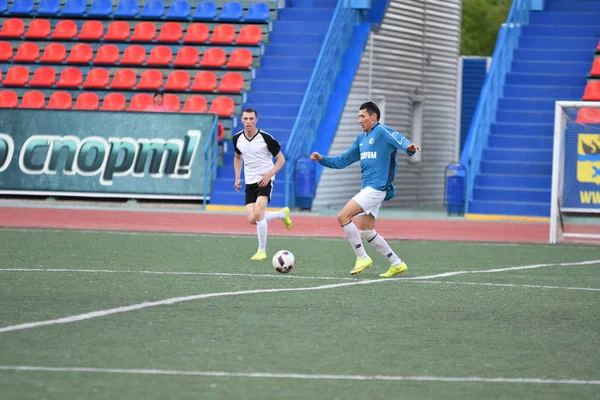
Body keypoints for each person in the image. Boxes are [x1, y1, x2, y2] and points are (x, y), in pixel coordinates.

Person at [310, 101, 421, 277]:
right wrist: (322, 159)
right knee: (367, 230)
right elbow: (343, 160)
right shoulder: (361, 139)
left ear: (373, 116)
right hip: (368, 188)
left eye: (362, 116)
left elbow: (400, 139)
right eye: (358, 117)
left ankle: (362, 257)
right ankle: (397, 263)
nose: (359, 120)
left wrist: (409, 148)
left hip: (377, 187)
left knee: (342, 216)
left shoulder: (382, 132)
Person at [233, 108, 292, 260]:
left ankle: (262, 250)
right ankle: (281, 214)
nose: (248, 122)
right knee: (252, 219)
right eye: (245, 119)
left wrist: (269, 174)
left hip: (265, 179)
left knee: (259, 211)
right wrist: (238, 178)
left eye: (251, 119)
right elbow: (238, 157)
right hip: (250, 181)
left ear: (256, 120)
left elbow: (281, 160)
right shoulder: (237, 139)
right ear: (241, 120)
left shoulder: (266, 138)